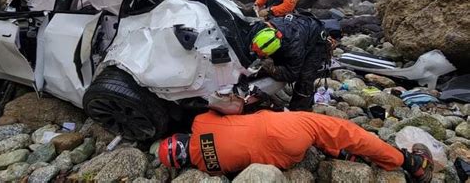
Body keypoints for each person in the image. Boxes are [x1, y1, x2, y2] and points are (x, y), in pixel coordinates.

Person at [157, 110, 433, 182]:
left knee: (318, 140)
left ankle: (342, 154)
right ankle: (411, 164)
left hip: (286, 159)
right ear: (180, 137)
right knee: (344, 130)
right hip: (282, 129)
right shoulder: (201, 122)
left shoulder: (210, 168)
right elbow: (232, 107)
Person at [248, 14, 329, 110]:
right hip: (297, 28)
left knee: (305, 78)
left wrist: (272, 68)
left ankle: (298, 110)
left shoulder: (294, 49)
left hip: (315, 39)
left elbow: (292, 74)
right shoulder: (259, 29)